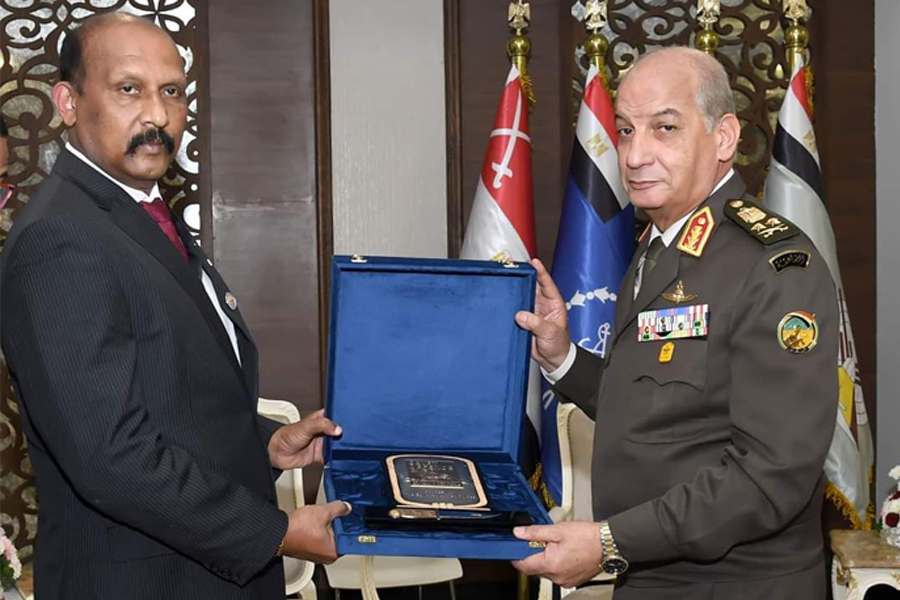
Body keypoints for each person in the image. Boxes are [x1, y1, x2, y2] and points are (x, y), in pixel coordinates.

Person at [0, 13, 350, 598]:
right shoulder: (61, 236)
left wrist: (261, 440)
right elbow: (109, 456)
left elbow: (167, 390)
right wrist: (274, 532)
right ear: (67, 101)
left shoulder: (136, 213)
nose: (158, 117)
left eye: (171, 93)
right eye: (128, 90)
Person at [512, 47, 838, 599]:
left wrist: (611, 541)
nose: (636, 155)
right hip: (651, 575)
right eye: (624, 130)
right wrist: (562, 355)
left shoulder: (775, 265)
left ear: (725, 138)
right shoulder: (658, 246)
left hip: (737, 586)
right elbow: (655, 406)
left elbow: (771, 475)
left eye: (665, 128)